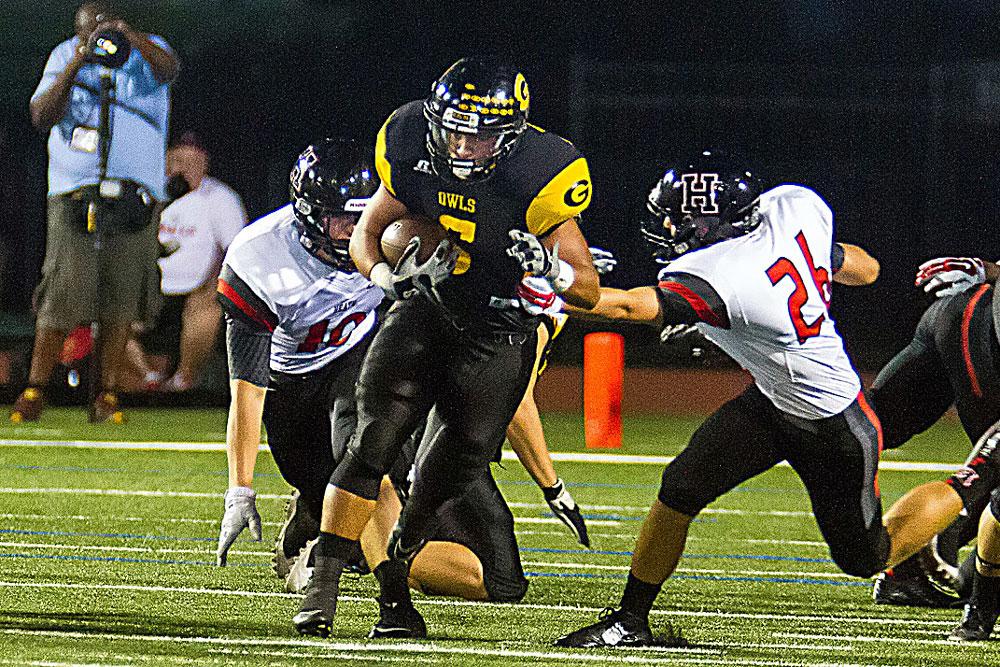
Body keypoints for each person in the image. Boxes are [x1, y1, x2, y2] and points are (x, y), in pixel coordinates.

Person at [550, 150, 959, 649]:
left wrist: (557, 281)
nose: (670, 228)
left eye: (682, 219)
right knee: (679, 488)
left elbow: (626, 306)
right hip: (771, 400)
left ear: (716, 222)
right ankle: (630, 619)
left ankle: (971, 482)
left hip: (832, 422)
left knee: (865, 558)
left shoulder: (727, 274)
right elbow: (866, 269)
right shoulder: (791, 207)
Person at [293, 57, 600, 640]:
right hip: (428, 311)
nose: (462, 143)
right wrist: (382, 276)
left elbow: (585, 286)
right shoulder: (408, 140)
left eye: (479, 133)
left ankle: (395, 575)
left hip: (496, 335)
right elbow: (370, 231)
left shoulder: (542, 173)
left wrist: (549, 269)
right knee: (372, 443)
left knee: (437, 486)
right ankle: (323, 583)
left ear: (509, 137)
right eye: (453, 126)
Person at [11, 1, 179, 423]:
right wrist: (78, 58)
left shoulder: (146, 51)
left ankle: (106, 394)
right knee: (64, 289)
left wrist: (128, 37)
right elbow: (40, 115)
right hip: (75, 190)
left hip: (136, 194)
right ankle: (35, 389)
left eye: (104, 28)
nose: (98, 37)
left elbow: (169, 70)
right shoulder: (65, 54)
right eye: (89, 30)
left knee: (123, 295)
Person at [126, 132, 247, 392]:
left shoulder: (220, 198)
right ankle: (148, 376)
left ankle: (184, 379)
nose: (184, 170)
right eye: (179, 161)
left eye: (193, 163)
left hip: (196, 285)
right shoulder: (148, 193)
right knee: (111, 302)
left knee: (210, 299)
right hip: (147, 282)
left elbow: (235, 249)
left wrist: (215, 278)